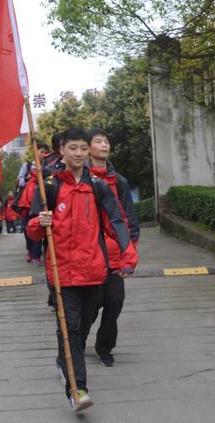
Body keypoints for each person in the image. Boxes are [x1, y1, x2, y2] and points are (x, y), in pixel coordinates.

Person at [26, 127, 136, 412]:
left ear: (88, 152)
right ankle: (78, 390)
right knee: (72, 328)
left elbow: (116, 222)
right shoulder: (47, 185)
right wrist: (41, 223)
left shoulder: (98, 186)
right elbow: (31, 230)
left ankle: (65, 360)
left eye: (82, 148)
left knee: (80, 327)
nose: (78, 153)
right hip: (61, 274)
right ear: (62, 150)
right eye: (72, 148)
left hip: (93, 272)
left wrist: (127, 255)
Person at [83, 128, 140, 366]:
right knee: (90, 304)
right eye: (98, 141)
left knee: (115, 301)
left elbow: (129, 217)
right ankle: (77, 338)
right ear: (89, 148)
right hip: (90, 254)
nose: (104, 145)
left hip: (115, 254)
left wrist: (130, 249)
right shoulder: (82, 178)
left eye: (106, 141)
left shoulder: (120, 181)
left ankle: (104, 347)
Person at [15, 142, 50, 265]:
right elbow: (19, 181)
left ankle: (36, 255)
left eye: (46, 152)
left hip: (40, 202)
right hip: (27, 202)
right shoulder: (28, 165)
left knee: (38, 228)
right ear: (36, 152)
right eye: (41, 152)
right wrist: (30, 178)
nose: (43, 154)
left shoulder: (48, 166)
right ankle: (30, 250)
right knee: (26, 229)